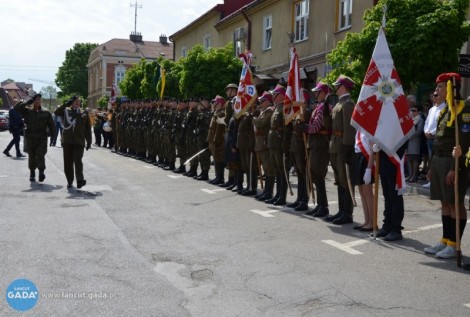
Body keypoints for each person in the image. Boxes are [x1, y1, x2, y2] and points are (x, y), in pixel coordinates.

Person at [424, 73, 469, 258]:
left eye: (441, 86)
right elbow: (438, 141)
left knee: (454, 203)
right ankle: (445, 240)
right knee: (444, 202)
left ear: (451, 88)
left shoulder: (463, 110)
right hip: (439, 161)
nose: (437, 90)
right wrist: (431, 167)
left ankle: (454, 243)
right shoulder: (444, 111)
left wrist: (453, 168)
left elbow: (463, 143)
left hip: (453, 163)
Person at [325, 75, 356, 225]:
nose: (334, 87)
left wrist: (346, 148)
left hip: (342, 147)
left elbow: (349, 129)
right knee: (339, 180)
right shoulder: (339, 103)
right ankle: (341, 210)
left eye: (337, 85)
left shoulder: (348, 104)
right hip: (335, 146)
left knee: (345, 180)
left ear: (343, 86)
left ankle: (347, 213)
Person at [304, 82, 333, 217]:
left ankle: (324, 206)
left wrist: (305, 128)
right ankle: (321, 205)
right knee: (314, 174)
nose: (316, 94)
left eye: (318, 91)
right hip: (315, 143)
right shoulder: (318, 107)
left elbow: (316, 126)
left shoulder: (324, 108)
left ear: (324, 93)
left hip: (320, 144)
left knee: (319, 174)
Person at [15, 94, 56, 182]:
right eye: (35, 99)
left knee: (41, 155)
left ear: (41, 101)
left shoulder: (46, 112)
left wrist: (53, 137)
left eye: (39, 99)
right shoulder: (27, 111)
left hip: (42, 137)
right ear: (33, 101)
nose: (37, 101)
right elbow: (16, 108)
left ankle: (41, 172)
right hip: (31, 137)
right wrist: (26, 103)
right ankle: (32, 173)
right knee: (32, 156)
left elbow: (52, 125)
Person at [54, 95, 92, 189]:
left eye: (79, 101)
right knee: (68, 162)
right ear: (72, 103)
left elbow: (88, 128)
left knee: (78, 160)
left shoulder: (84, 113)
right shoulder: (66, 111)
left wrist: (89, 141)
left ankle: (79, 180)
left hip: (79, 140)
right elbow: (56, 112)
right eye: (76, 102)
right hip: (67, 140)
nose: (78, 103)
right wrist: (66, 104)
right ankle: (70, 181)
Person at [422, 92, 445, 188]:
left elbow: (441, 124)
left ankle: (436, 181)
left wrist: (432, 132)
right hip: (429, 138)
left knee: (436, 160)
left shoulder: (444, 108)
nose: (434, 98)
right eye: (433, 96)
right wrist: (426, 131)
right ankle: (431, 180)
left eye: (436, 95)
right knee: (431, 159)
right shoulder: (432, 109)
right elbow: (427, 122)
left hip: (437, 138)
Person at [406, 99, 424, 183]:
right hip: (408, 142)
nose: (412, 112)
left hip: (415, 141)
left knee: (415, 159)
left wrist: (410, 136)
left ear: (418, 111)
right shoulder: (410, 119)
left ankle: (414, 175)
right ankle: (410, 174)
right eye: (411, 110)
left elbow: (419, 131)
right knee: (409, 158)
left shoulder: (420, 119)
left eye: (414, 110)